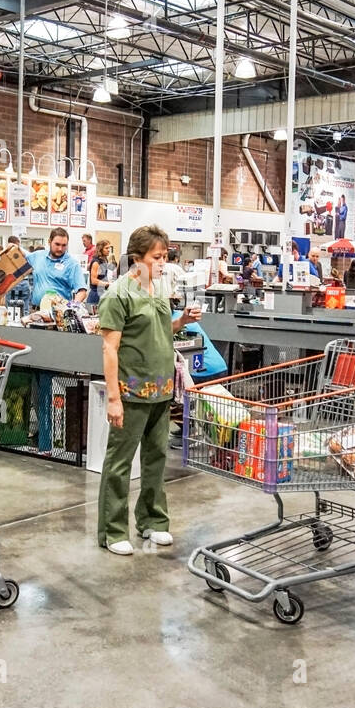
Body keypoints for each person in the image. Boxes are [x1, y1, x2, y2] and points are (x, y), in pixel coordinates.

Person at [97, 224, 200, 555]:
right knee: (120, 463)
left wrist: (181, 321)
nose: (163, 262)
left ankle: (153, 521)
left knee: (156, 458)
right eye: (157, 257)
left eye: (165, 256)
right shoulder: (118, 295)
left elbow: (159, 330)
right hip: (131, 391)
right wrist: (114, 398)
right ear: (136, 258)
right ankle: (113, 530)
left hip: (162, 388)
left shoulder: (157, 289)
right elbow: (110, 349)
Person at [26, 228, 88, 307]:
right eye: (57, 244)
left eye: (64, 245)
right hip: (35, 311)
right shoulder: (38, 256)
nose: (60, 249)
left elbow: (82, 291)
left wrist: (72, 307)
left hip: (58, 314)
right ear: (49, 242)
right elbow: (21, 255)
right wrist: (13, 246)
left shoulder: (72, 264)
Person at [88, 239, 114, 305]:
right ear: (100, 249)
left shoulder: (104, 260)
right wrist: (107, 284)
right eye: (106, 248)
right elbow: (93, 280)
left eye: (109, 248)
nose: (108, 250)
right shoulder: (96, 262)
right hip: (95, 294)